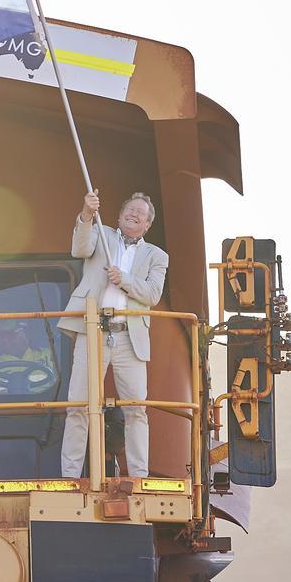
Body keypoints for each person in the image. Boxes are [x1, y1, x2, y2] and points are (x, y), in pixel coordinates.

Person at [58, 190, 168, 478]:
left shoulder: (157, 255)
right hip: (92, 331)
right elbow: (79, 248)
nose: (134, 214)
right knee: (79, 405)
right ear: (119, 217)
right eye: (129, 210)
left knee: (136, 409)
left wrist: (125, 280)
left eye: (140, 213)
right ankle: (70, 476)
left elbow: (152, 294)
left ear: (147, 225)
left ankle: (139, 476)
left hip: (129, 338)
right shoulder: (102, 234)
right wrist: (86, 213)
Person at [0, 320, 56, 395]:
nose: (6, 341)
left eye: (11, 335)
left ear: (26, 333)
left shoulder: (48, 355)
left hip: (44, 408)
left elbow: (63, 387)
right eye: (2, 337)